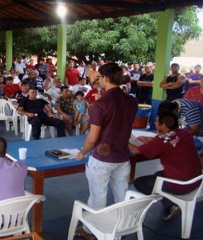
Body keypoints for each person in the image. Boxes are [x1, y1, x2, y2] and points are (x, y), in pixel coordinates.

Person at [75, 63, 138, 240]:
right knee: (121, 193)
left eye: (99, 77)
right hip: (123, 156)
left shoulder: (100, 104)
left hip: (102, 159)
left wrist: (83, 152)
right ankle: (121, 229)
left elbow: (93, 137)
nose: (98, 80)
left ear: (106, 78)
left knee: (97, 196)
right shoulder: (131, 101)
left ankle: (91, 232)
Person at [129, 111, 202, 220]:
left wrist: (124, 139)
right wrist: (151, 140)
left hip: (181, 186)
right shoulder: (185, 133)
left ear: (163, 125)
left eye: (157, 121)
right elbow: (173, 142)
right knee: (158, 175)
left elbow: (135, 151)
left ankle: (169, 204)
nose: (155, 123)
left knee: (140, 182)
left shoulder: (163, 140)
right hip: (196, 181)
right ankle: (170, 205)